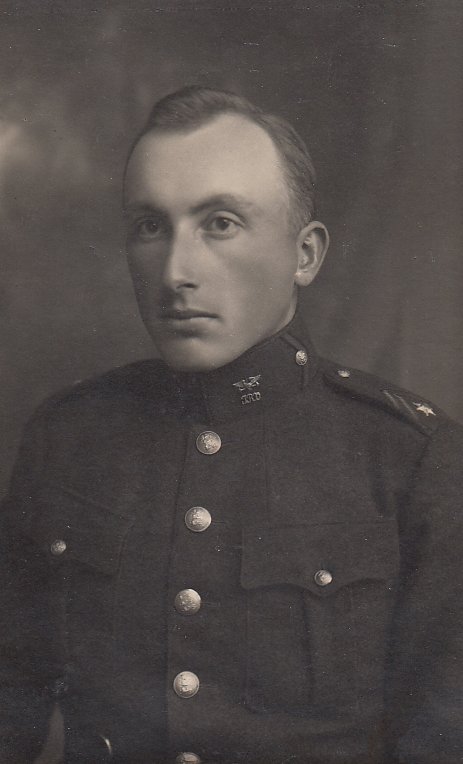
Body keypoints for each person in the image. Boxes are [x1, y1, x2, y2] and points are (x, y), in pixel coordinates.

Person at [1, 86, 463, 764]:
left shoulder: (409, 460)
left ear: (305, 255)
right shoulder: (67, 441)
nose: (175, 272)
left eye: (219, 223)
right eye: (150, 226)